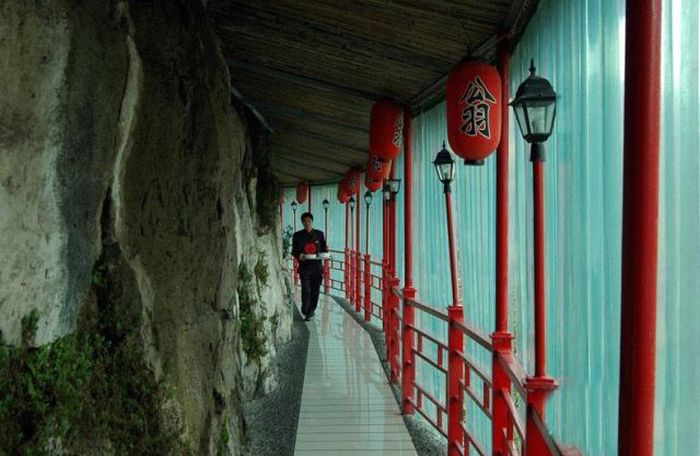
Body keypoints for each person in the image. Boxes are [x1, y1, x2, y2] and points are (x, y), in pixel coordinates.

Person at [292, 212, 328, 320]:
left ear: (312, 221)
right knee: (306, 290)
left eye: (309, 221)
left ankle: (311, 309)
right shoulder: (297, 235)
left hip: (317, 268)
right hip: (304, 267)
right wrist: (300, 255)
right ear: (302, 222)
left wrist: (326, 255)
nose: (307, 223)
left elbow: (324, 251)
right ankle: (306, 310)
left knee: (315, 290)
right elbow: (294, 251)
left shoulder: (319, 234)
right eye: (305, 221)